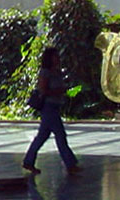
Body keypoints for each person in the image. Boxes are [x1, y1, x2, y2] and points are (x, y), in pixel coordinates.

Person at [22, 46, 80, 175]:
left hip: (54, 106)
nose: (57, 59)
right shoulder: (45, 72)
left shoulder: (57, 72)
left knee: (42, 137)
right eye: (55, 56)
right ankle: (70, 164)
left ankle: (28, 161)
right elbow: (43, 90)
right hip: (49, 107)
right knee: (60, 136)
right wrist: (58, 91)